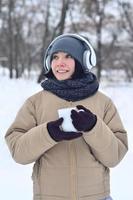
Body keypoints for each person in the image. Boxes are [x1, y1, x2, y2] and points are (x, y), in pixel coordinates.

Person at [5, 33, 128, 200]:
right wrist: (49, 133)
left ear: (84, 61)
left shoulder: (103, 103)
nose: (60, 62)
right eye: (55, 57)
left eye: (68, 56)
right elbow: (19, 152)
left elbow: (114, 157)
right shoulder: (35, 103)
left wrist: (93, 127)